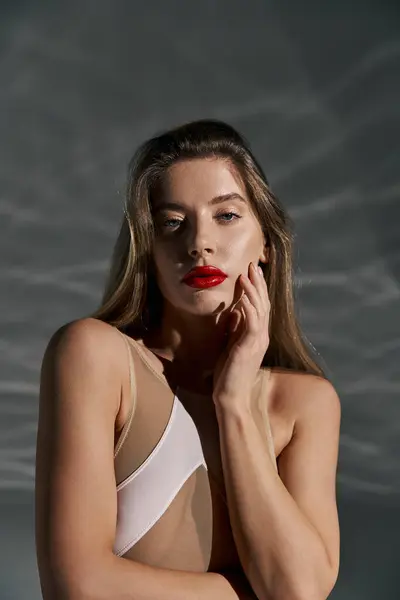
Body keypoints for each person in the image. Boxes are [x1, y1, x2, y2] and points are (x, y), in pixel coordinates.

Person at [35, 119, 341, 600]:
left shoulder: (305, 404)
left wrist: (234, 401)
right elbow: (79, 587)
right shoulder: (96, 357)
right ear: (148, 250)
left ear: (265, 243)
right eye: (172, 223)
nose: (199, 242)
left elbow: (298, 590)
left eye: (226, 216)